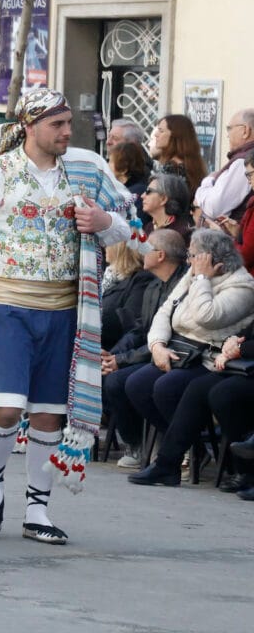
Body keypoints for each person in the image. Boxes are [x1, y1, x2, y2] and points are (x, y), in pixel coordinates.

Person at [0, 88, 138, 545]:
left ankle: (37, 508)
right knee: (6, 408)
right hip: (7, 305)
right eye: (57, 125)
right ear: (29, 127)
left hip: (64, 310)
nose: (66, 132)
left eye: (69, 124)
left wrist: (104, 223)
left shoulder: (86, 168)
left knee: (48, 414)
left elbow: (129, 221)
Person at [127, 230, 254, 486]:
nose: (188, 261)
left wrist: (203, 279)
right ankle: (186, 448)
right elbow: (165, 310)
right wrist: (157, 345)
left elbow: (207, 317)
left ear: (211, 259)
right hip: (178, 349)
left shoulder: (242, 286)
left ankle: (173, 460)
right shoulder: (193, 273)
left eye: (193, 255)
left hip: (207, 357)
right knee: (135, 384)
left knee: (170, 387)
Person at [99, 229, 187, 468]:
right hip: (150, 351)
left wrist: (122, 359)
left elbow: (170, 337)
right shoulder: (154, 285)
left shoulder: (183, 285)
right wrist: (114, 355)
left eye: (146, 247)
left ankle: (175, 442)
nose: (140, 251)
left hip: (174, 354)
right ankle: (136, 442)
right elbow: (140, 329)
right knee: (110, 375)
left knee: (122, 381)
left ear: (160, 255)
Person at [194, 108, 254, 222]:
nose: (227, 135)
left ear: (245, 131)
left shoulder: (244, 162)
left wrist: (208, 182)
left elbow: (214, 208)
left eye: (229, 128)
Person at [149, 114, 207, 196]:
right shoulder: (192, 164)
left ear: (175, 136)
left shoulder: (172, 168)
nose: (156, 134)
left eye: (161, 131)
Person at [141, 171, 194, 242]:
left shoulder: (181, 232)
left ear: (163, 199)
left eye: (148, 191)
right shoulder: (149, 227)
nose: (142, 196)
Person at [109, 141, 151, 216]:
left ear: (123, 169)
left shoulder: (136, 193)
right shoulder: (127, 189)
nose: (107, 165)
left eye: (110, 161)